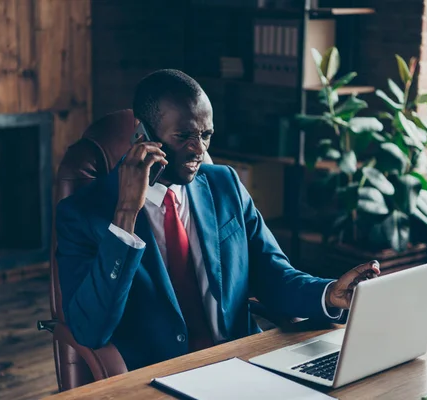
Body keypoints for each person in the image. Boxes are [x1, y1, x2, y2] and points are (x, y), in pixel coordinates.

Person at [55, 69, 380, 371]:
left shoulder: (225, 185)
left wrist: (329, 293)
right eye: (184, 136)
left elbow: (274, 275)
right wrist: (126, 214)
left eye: (206, 135)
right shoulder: (83, 214)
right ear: (142, 134)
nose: (199, 149)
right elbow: (89, 329)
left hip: (243, 366)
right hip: (160, 378)